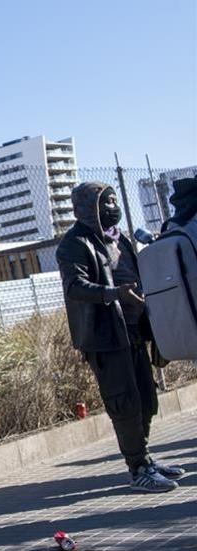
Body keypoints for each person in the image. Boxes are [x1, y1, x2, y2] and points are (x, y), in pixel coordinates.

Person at [56, 182, 186, 493]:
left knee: (146, 400)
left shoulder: (119, 238)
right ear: (89, 207)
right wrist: (115, 294)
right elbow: (75, 287)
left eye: (114, 201)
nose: (113, 207)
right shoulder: (74, 244)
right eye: (106, 202)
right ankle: (137, 468)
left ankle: (146, 460)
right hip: (106, 337)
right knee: (125, 403)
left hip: (134, 332)